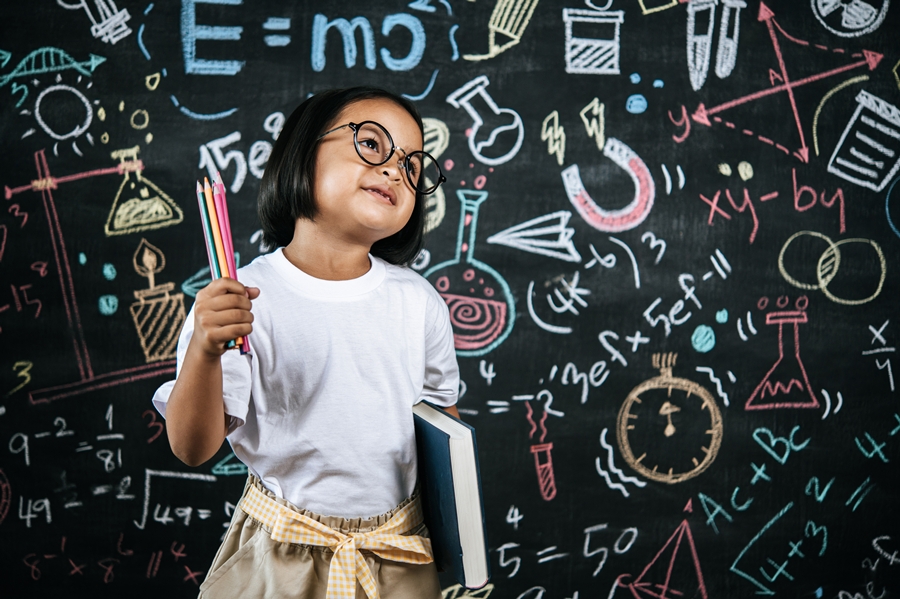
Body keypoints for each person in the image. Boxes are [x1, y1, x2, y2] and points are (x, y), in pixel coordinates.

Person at [152, 86, 460, 599]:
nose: (393, 170)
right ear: (301, 151)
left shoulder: (420, 301)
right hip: (281, 550)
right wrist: (206, 350)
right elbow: (192, 447)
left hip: (397, 548)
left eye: (412, 165)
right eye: (371, 144)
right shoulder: (242, 298)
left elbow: (443, 430)